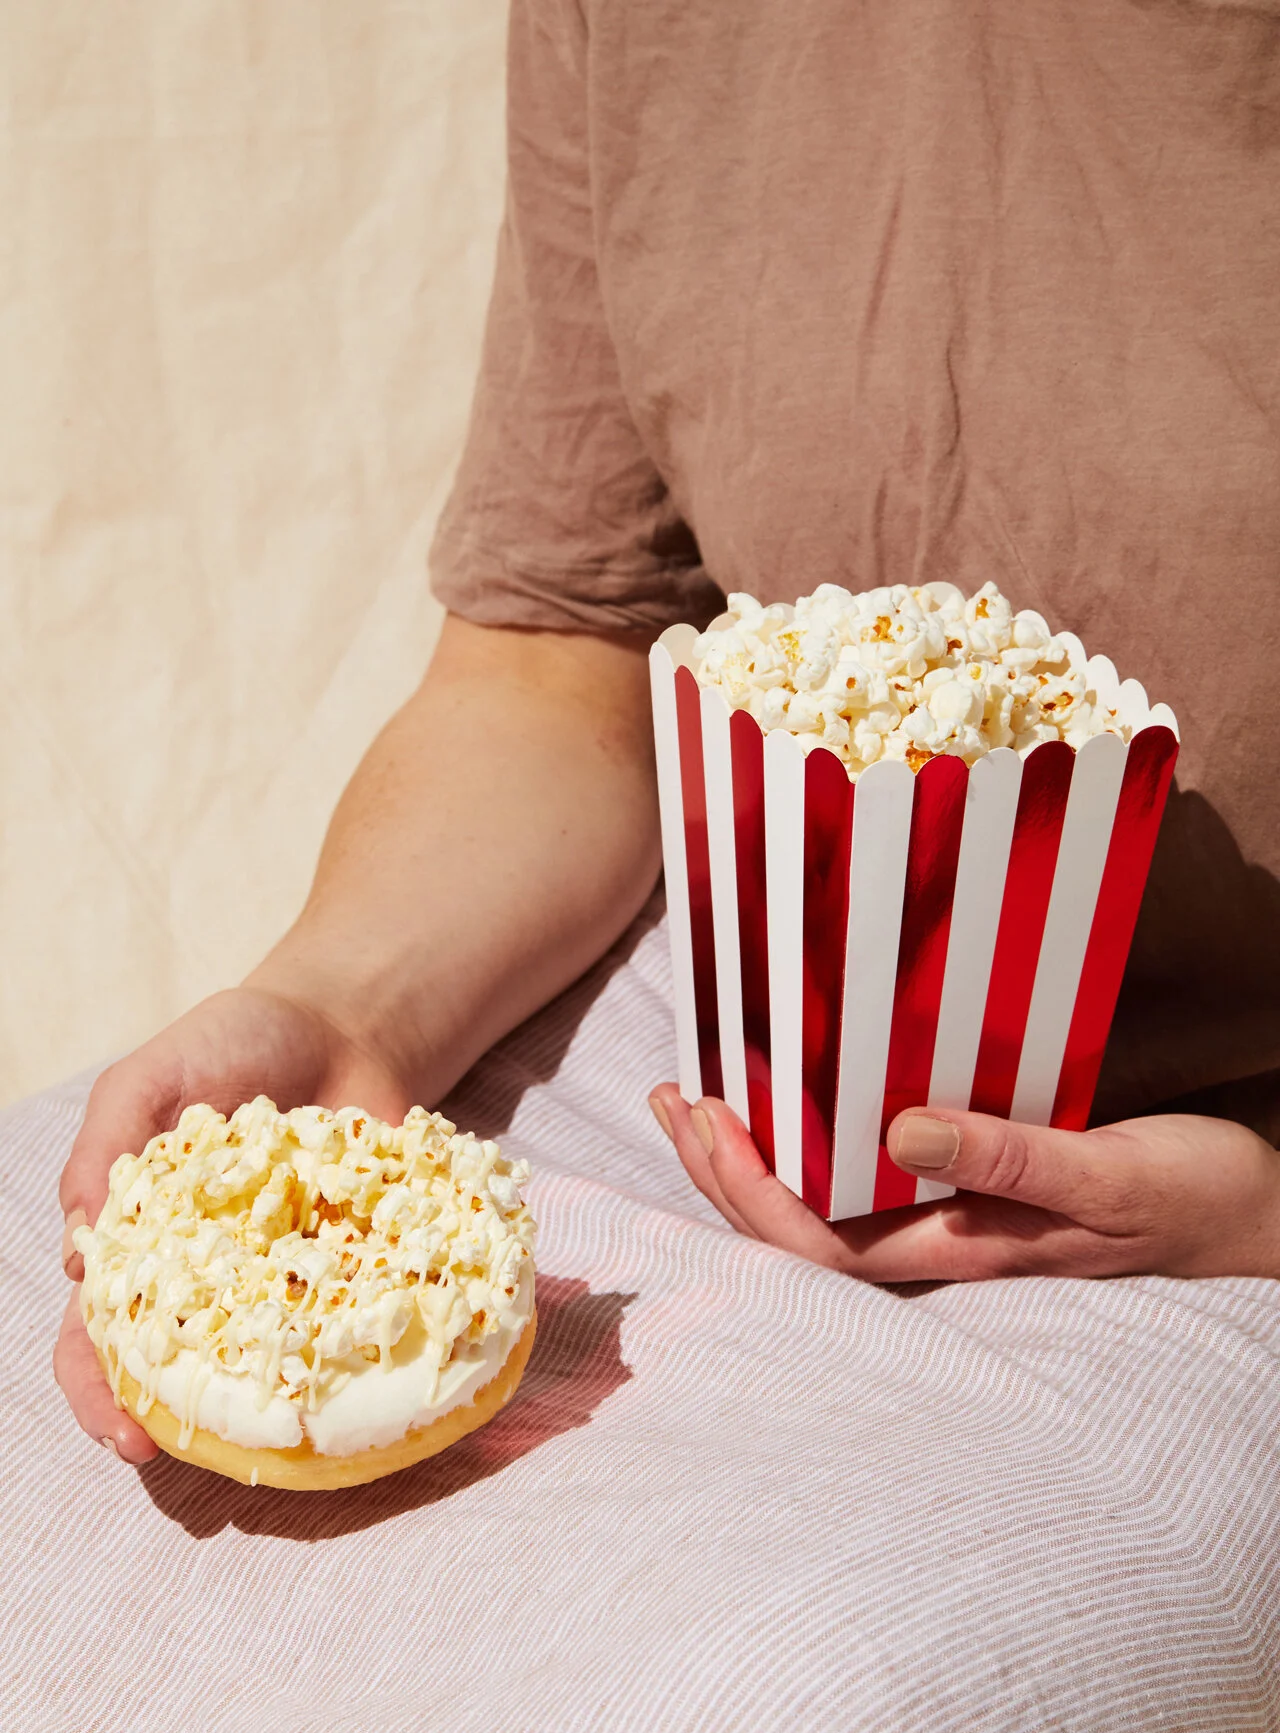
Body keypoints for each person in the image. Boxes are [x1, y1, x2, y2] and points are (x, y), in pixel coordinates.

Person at [54, 0, 1280, 1463]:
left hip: (1224, 1228)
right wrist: (343, 1014)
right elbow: (569, 643)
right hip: (721, 1049)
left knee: (777, 1686)